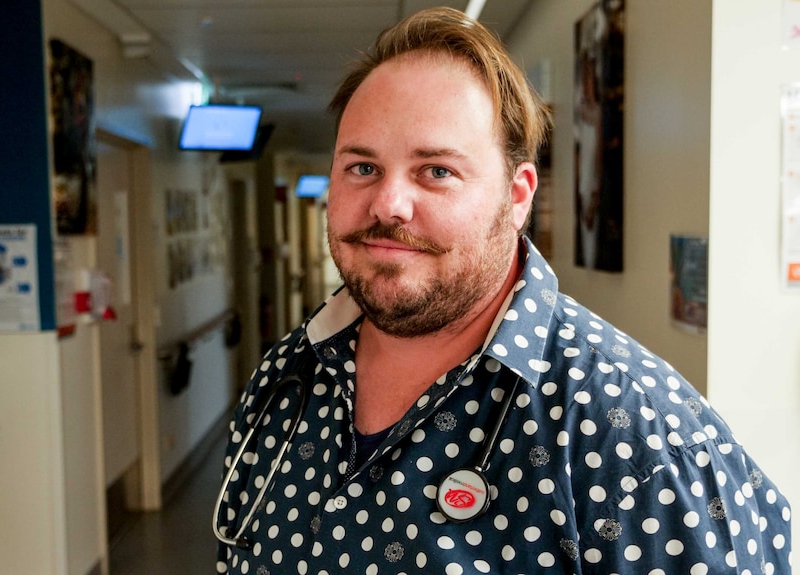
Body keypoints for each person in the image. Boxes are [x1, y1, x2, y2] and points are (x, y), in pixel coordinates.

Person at [215, 7, 791, 574]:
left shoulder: (641, 436)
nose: (388, 203)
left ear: (518, 197)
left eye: (436, 171)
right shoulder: (285, 379)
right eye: (362, 168)